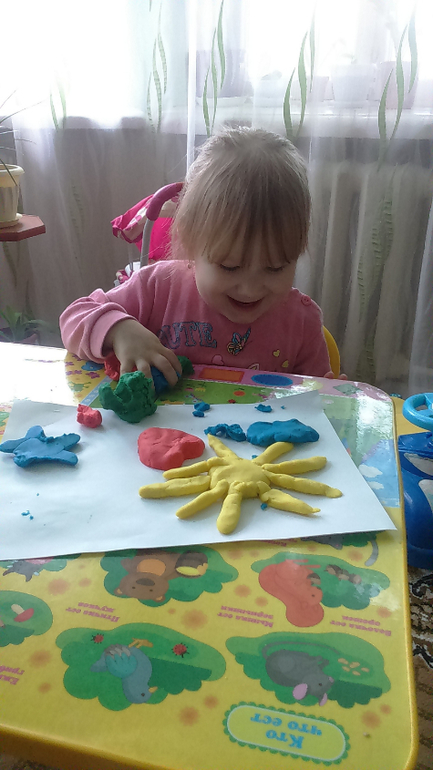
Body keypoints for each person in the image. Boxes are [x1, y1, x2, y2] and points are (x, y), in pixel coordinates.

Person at [60, 127, 332, 386]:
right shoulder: (157, 288)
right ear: (190, 240)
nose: (250, 289)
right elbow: (74, 316)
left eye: (275, 268)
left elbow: (315, 399)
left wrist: (332, 399)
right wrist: (119, 330)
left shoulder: (302, 323)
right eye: (229, 267)